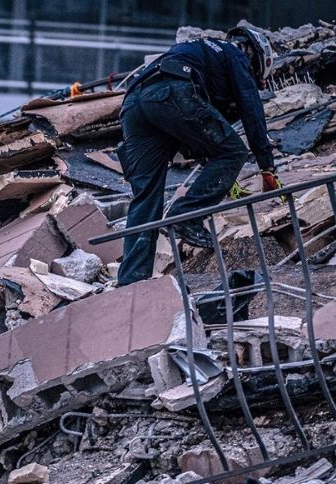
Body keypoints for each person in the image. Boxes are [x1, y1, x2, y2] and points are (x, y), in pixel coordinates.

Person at [116, 24, 282, 287]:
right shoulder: (236, 54)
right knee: (234, 151)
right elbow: (251, 109)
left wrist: (222, 177)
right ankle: (188, 216)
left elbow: (197, 136)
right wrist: (267, 167)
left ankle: (131, 282)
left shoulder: (203, 55)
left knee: (146, 196)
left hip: (133, 105)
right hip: (172, 92)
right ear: (257, 60)